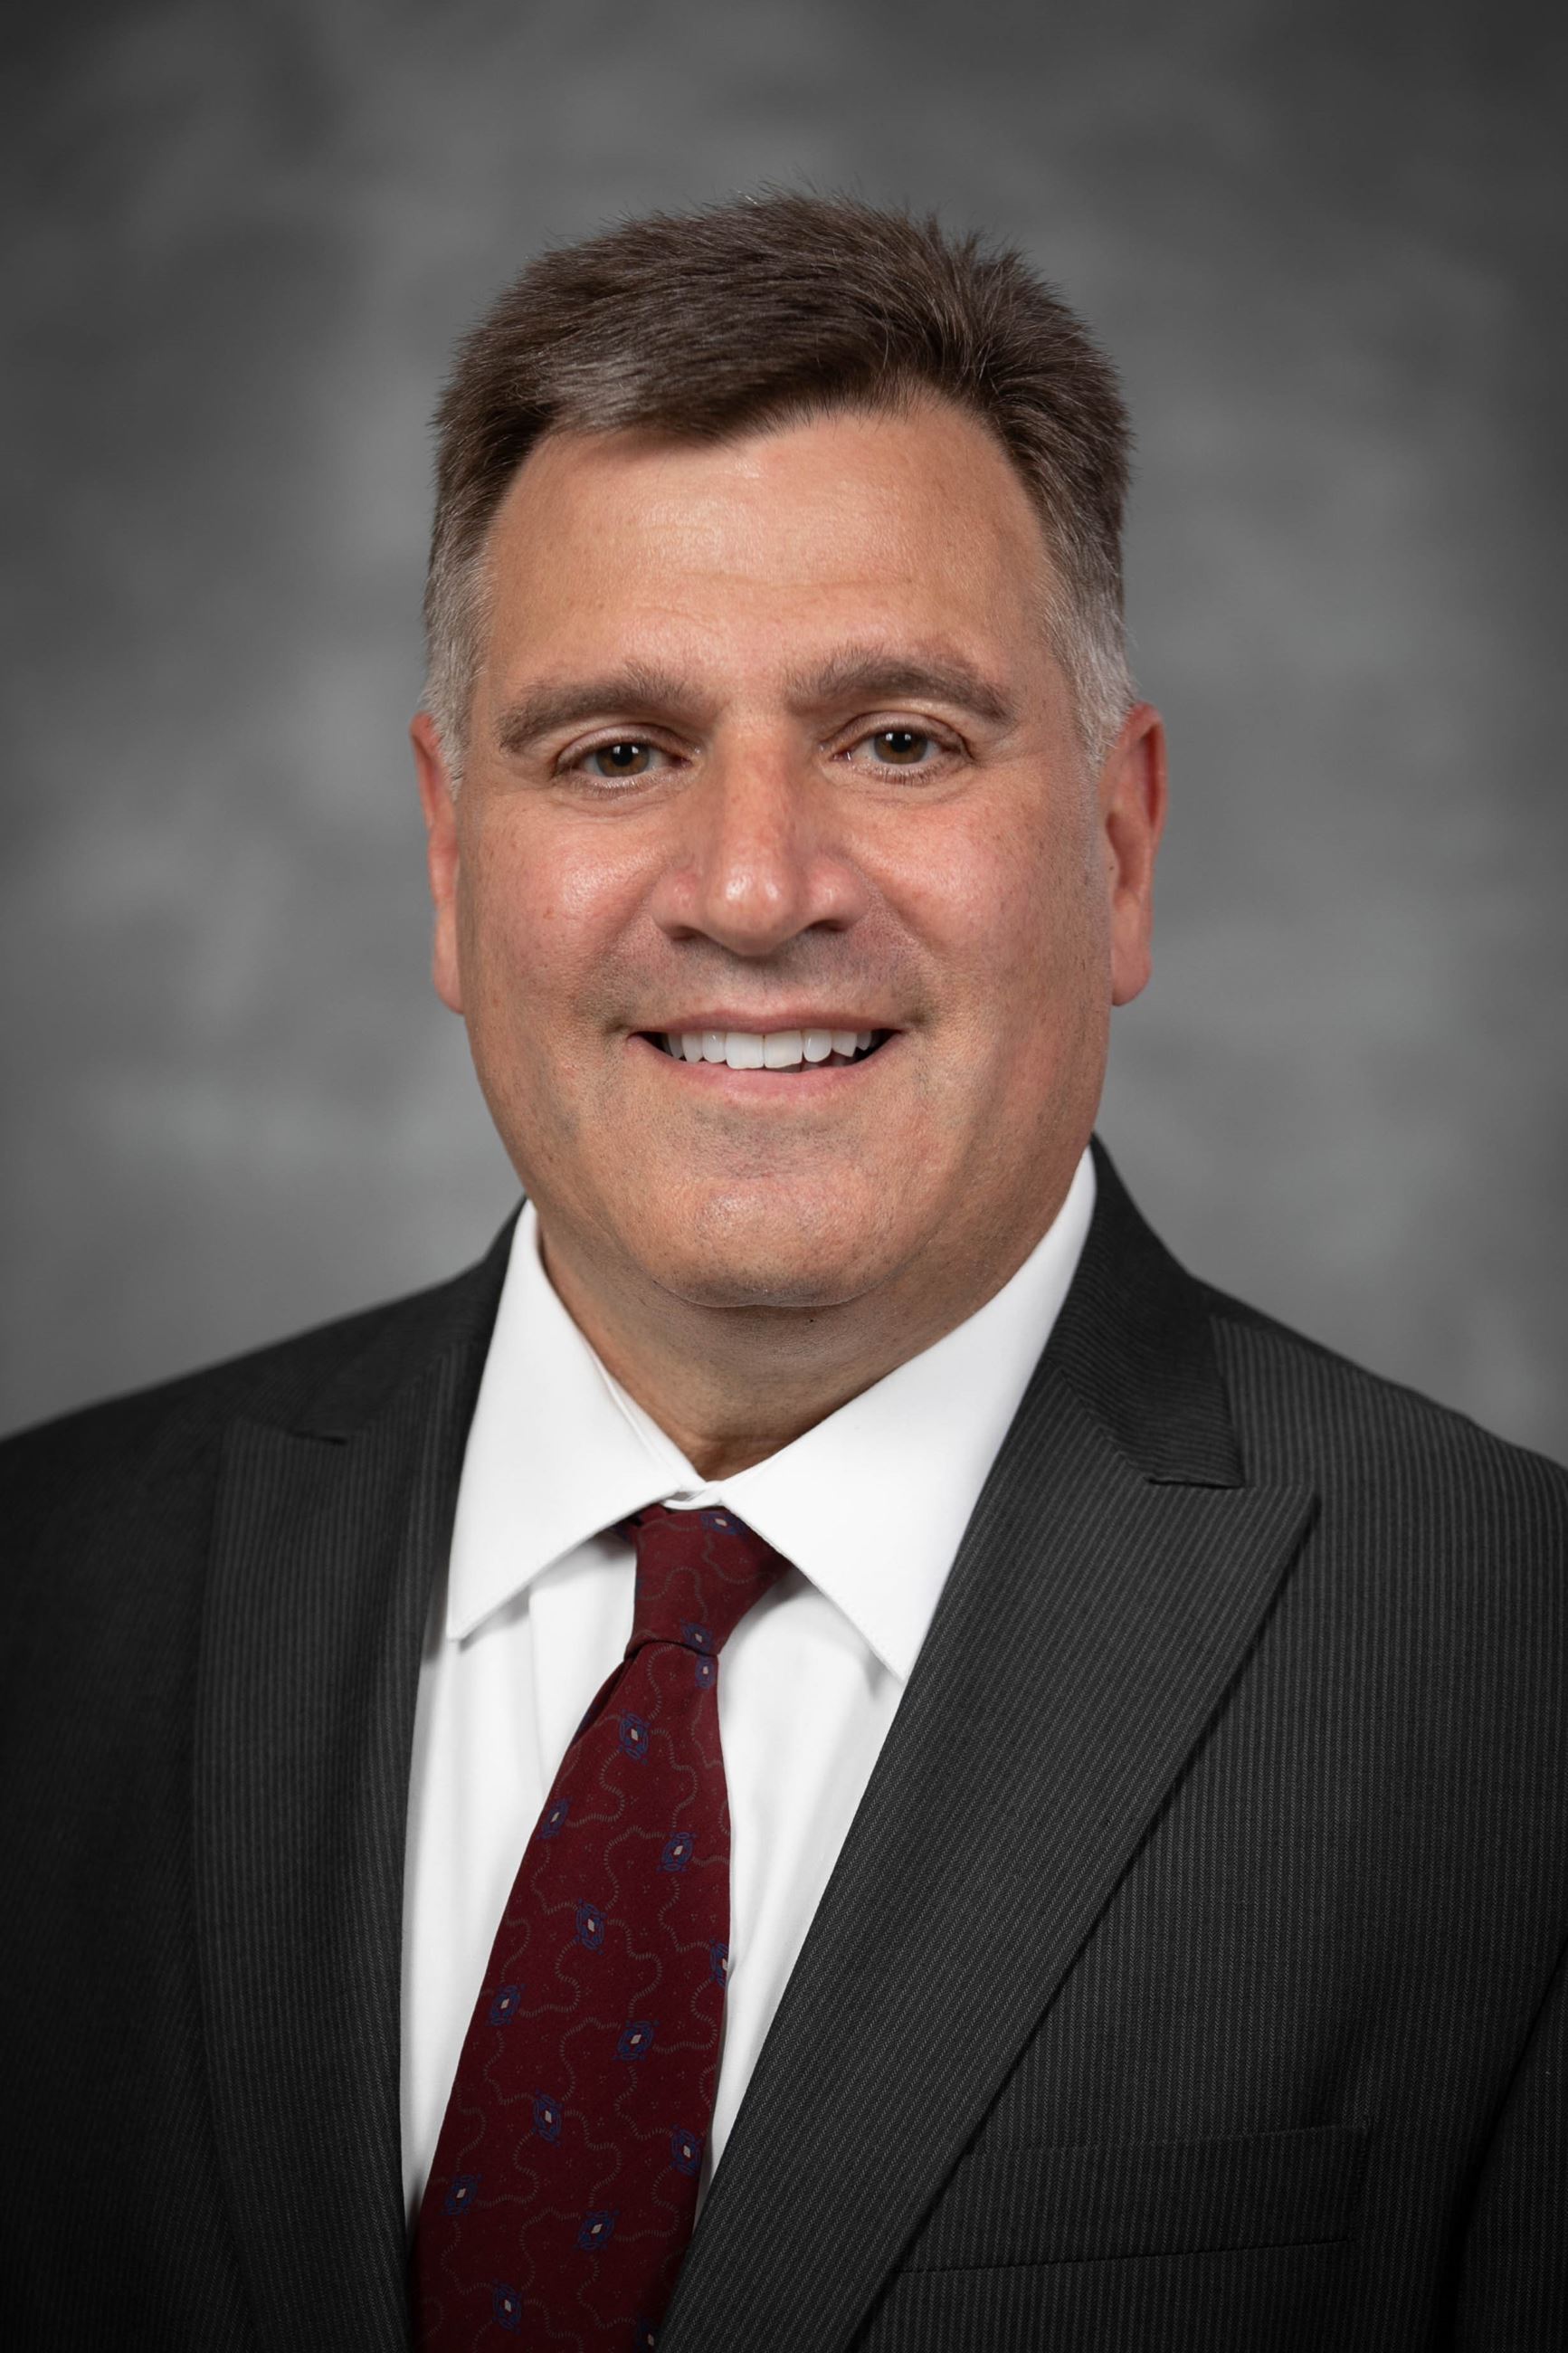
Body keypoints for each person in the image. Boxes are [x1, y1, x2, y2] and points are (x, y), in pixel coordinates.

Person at [1, 191, 1563, 2353]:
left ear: (1117, 844)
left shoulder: (1514, 1685)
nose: (752, 887)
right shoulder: (47, 1601)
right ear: (455, 863)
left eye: (899, 738)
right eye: (618, 751)